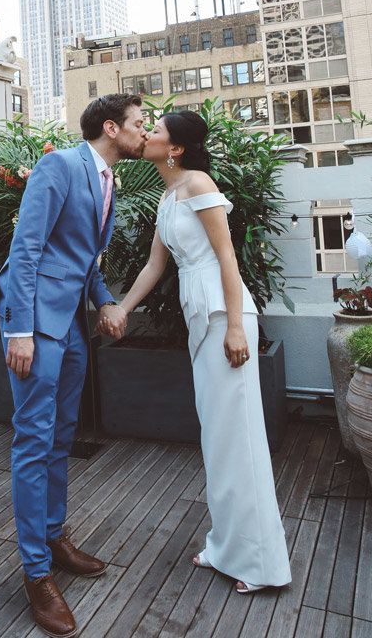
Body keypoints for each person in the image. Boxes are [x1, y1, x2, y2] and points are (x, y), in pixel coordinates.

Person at [97, 110, 291, 595]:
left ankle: (259, 563)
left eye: (155, 130)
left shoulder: (199, 182)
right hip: (199, 315)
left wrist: (236, 329)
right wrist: (120, 308)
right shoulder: (167, 195)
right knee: (218, 436)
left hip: (225, 317)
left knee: (238, 437)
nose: (146, 134)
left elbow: (227, 254)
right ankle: (228, 545)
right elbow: (153, 266)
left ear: (176, 148)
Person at [0, 94, 147, 637]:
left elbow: (81, 256)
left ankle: (54, 538)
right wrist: (18, 330)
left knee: (61, 437)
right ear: (111, 127)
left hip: (74, 327)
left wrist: (106, 299)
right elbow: (27, 250)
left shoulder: (106, 179)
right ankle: (36, 573)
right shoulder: (60, 165)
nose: (144, 131)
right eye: (138, 123)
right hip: (36, 328)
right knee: (34, 443)